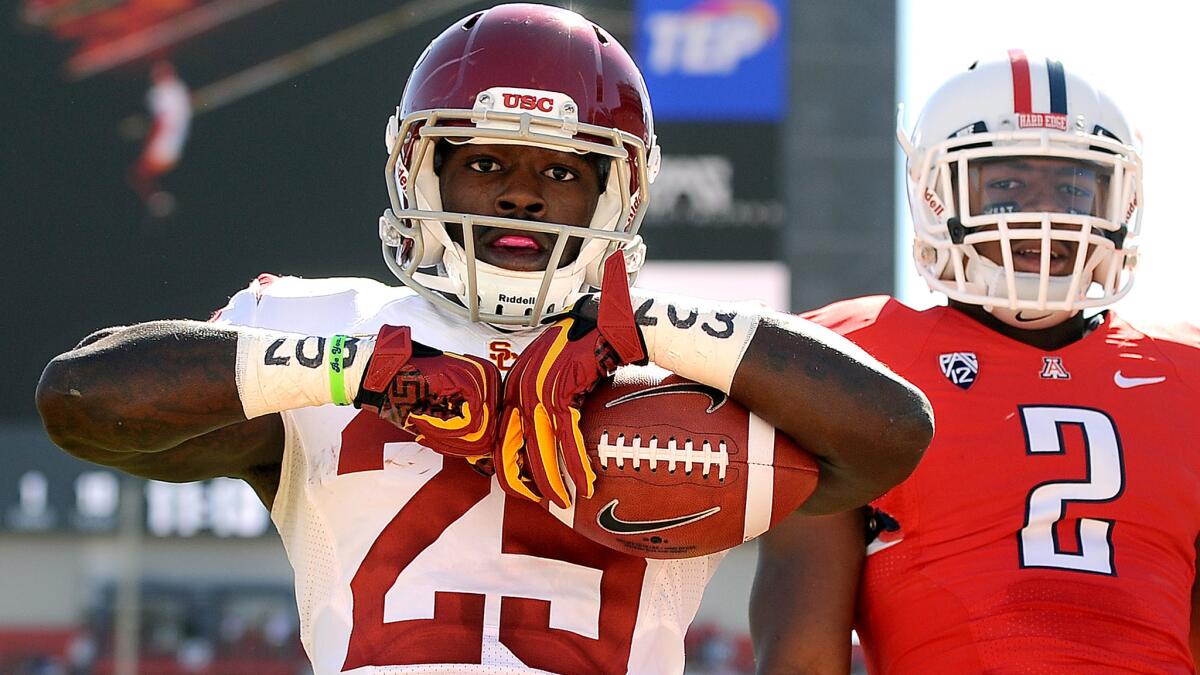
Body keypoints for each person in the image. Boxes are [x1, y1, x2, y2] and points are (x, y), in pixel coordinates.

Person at [35, 5, 933, 674]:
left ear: (617, 195)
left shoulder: (672, 362)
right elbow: (80, 401)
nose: (521, 194)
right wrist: (363, 371)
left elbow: (892, 435)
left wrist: (638, 325)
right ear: (422, 168)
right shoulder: (331, 327)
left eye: (562, 170)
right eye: (486, 161)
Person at [750, 50, 1200, 674]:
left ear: (1120, 201)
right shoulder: (854, 357)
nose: (1045, 216)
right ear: (937, 196)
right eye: (1008, 187)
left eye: (1073, 188)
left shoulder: (1189, 373)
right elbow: (802, 654)